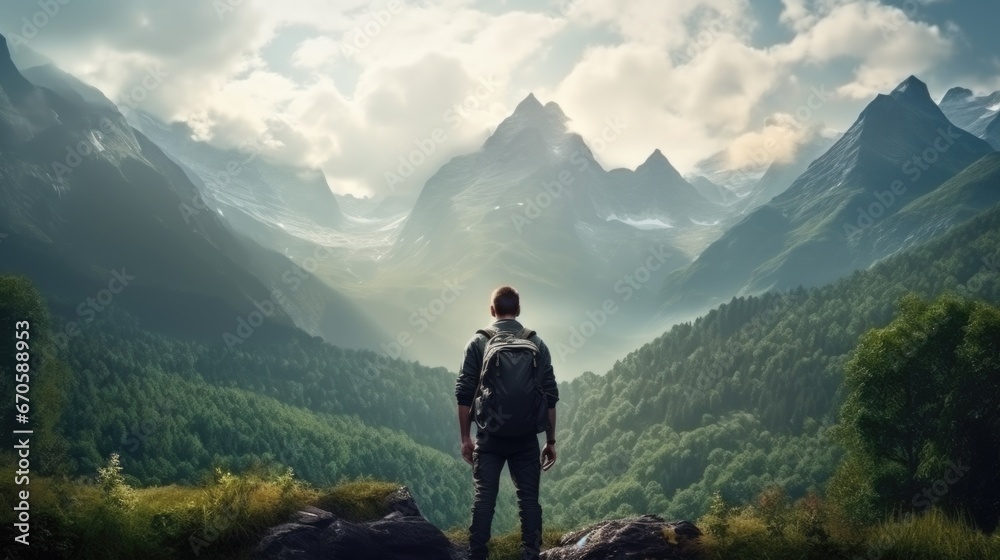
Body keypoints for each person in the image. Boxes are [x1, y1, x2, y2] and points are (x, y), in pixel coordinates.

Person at [455, 285, 559, 560]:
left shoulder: (478, 342)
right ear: (519, 310)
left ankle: (477, 555)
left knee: (484, 499)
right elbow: (550, 396)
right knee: (529, 502)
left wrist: (466, 437)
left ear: (492, 310)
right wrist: (550, 441)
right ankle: (530, 554)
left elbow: (464, 392)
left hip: (489, 436)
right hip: (526, 437)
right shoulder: (536, 343)